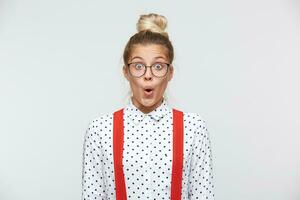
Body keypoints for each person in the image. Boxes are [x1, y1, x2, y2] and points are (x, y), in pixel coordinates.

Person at [81, 13, 215, 200]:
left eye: (158, 66)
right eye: (138, 66)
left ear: (170, 73)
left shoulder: (193, 128)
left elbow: (203, 196)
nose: (148, 75)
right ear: (126, 72)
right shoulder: (100, 130)